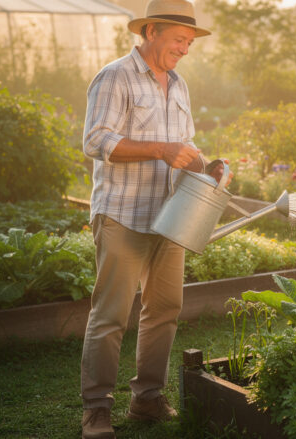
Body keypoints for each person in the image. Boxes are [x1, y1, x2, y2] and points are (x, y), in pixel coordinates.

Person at [80, 1, 227, 438]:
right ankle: (96, 409)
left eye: (189, 41)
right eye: (179, 39)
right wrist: (160, 149)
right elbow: (96, 140)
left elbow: (184, 145)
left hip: (171, 215)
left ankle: (146, 399)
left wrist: (207, 165)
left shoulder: (178, 85)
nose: (185, 48)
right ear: (151, 32)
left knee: (165, 309)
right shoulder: (114, 77)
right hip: (123, 213)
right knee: (110, 316)